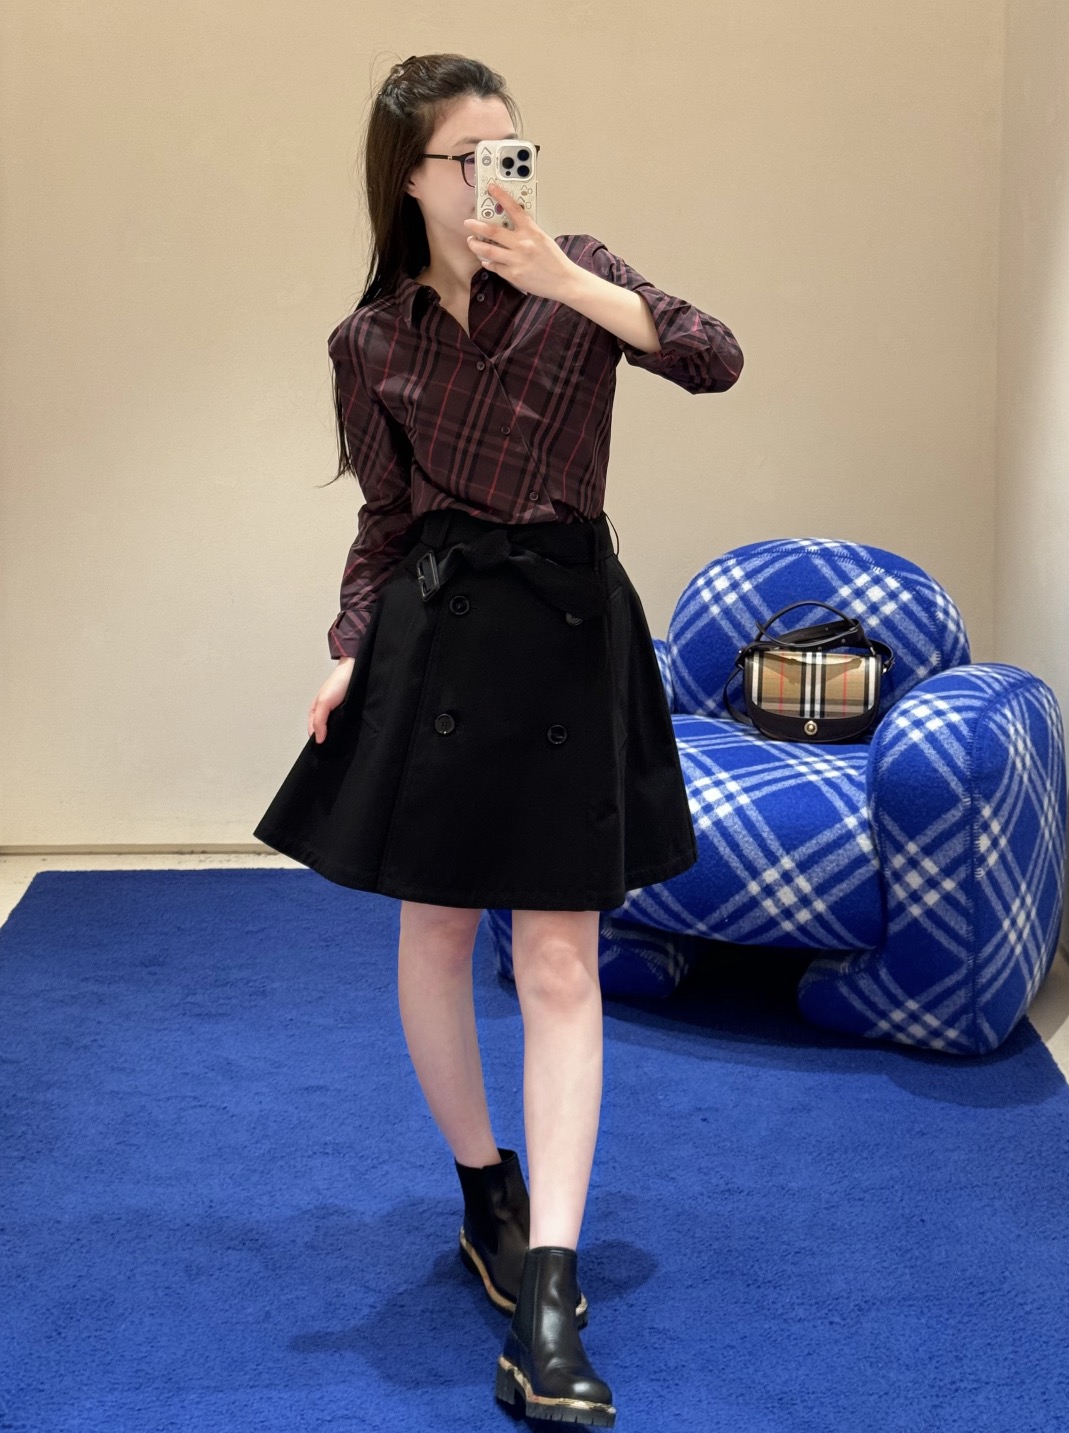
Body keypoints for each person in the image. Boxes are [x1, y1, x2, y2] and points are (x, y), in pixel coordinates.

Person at [253, 51, 743, 1427]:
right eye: (465, 159)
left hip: (570, 628)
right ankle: (485, 1187)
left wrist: (568, 283)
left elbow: (714, 357)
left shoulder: (580, 278)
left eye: (508, 152)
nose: (491, 180)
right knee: (433, 929)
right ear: (407, 180)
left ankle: (549, 1289)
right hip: (438, 634)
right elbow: (385, 520)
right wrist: (347, 648)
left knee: (559, 953)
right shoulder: (370, 342)